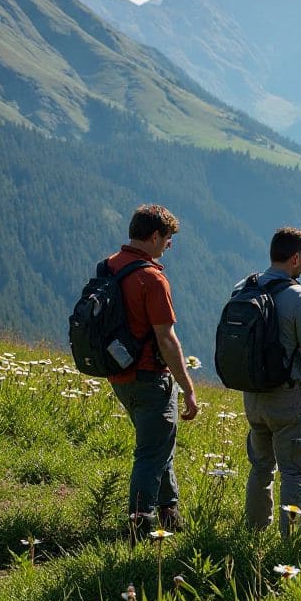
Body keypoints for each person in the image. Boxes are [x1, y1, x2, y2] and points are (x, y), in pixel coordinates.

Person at [107, 204, 198, 536]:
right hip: (149, 376)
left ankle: (169, 513)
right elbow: (166, 339)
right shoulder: (152, 278)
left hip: (119, 374)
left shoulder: (110, 266)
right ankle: (140, 525)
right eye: (168, 238)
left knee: (160, 443)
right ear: (156, 236)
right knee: (150, 452)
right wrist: (188, 387)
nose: (169, 245)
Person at [241, 227, 301, 535]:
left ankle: (254, 533)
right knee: (295, 473)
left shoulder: (244, 287)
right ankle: (291, 543)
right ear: (296, 258)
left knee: (261, 467)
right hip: (286, 398)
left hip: (252, 394)